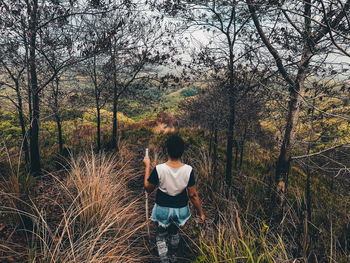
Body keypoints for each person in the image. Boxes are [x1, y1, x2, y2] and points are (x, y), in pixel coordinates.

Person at [143, 134, 206, 263]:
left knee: (160, 235)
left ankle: (164, 259)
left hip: (162, 210)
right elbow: (193, 195)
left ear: (167, 150)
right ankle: (173, 257)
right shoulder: (189, 170)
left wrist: (147, 166)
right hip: (180, 210)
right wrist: (201, 213)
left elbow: (148, 188)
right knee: (174, 232)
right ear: (182, 152)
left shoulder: (159, 169)